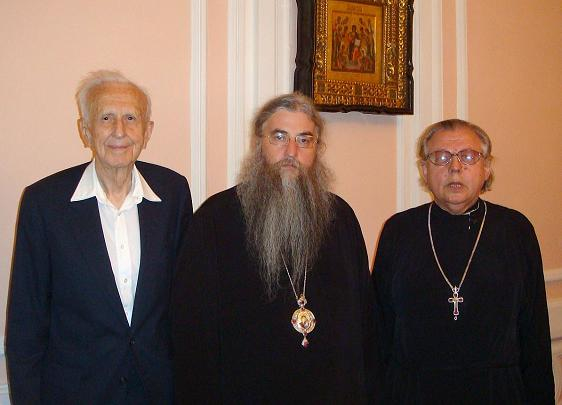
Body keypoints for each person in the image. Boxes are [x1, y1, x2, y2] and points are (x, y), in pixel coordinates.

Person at [171, 92, 378, 404]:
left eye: (304, 140)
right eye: (279, 137)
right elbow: (192, 333)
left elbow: (364, 323)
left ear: (317, 149)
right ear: (259, 144)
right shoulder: (215, 219)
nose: (291, 152)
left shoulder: (341, 218)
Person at [5, 70, 192, 404]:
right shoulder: (44, 203)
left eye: (131, 118)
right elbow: (25, 324)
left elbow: (186, 303)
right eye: (106, 118)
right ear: (86, 130)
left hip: (157, 391)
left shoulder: (173, 194)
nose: (119, 130)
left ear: (147, 131)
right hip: (75, 393)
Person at [372, 118, 554, 404]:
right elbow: (379, 330)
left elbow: (535, 332)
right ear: (424, 170)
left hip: (498, 391)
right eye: (441, 157)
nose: (455, 167)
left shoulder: (515, 230)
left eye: (468, 156)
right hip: (414, 390)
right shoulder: (399, 230)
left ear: (487, 168)